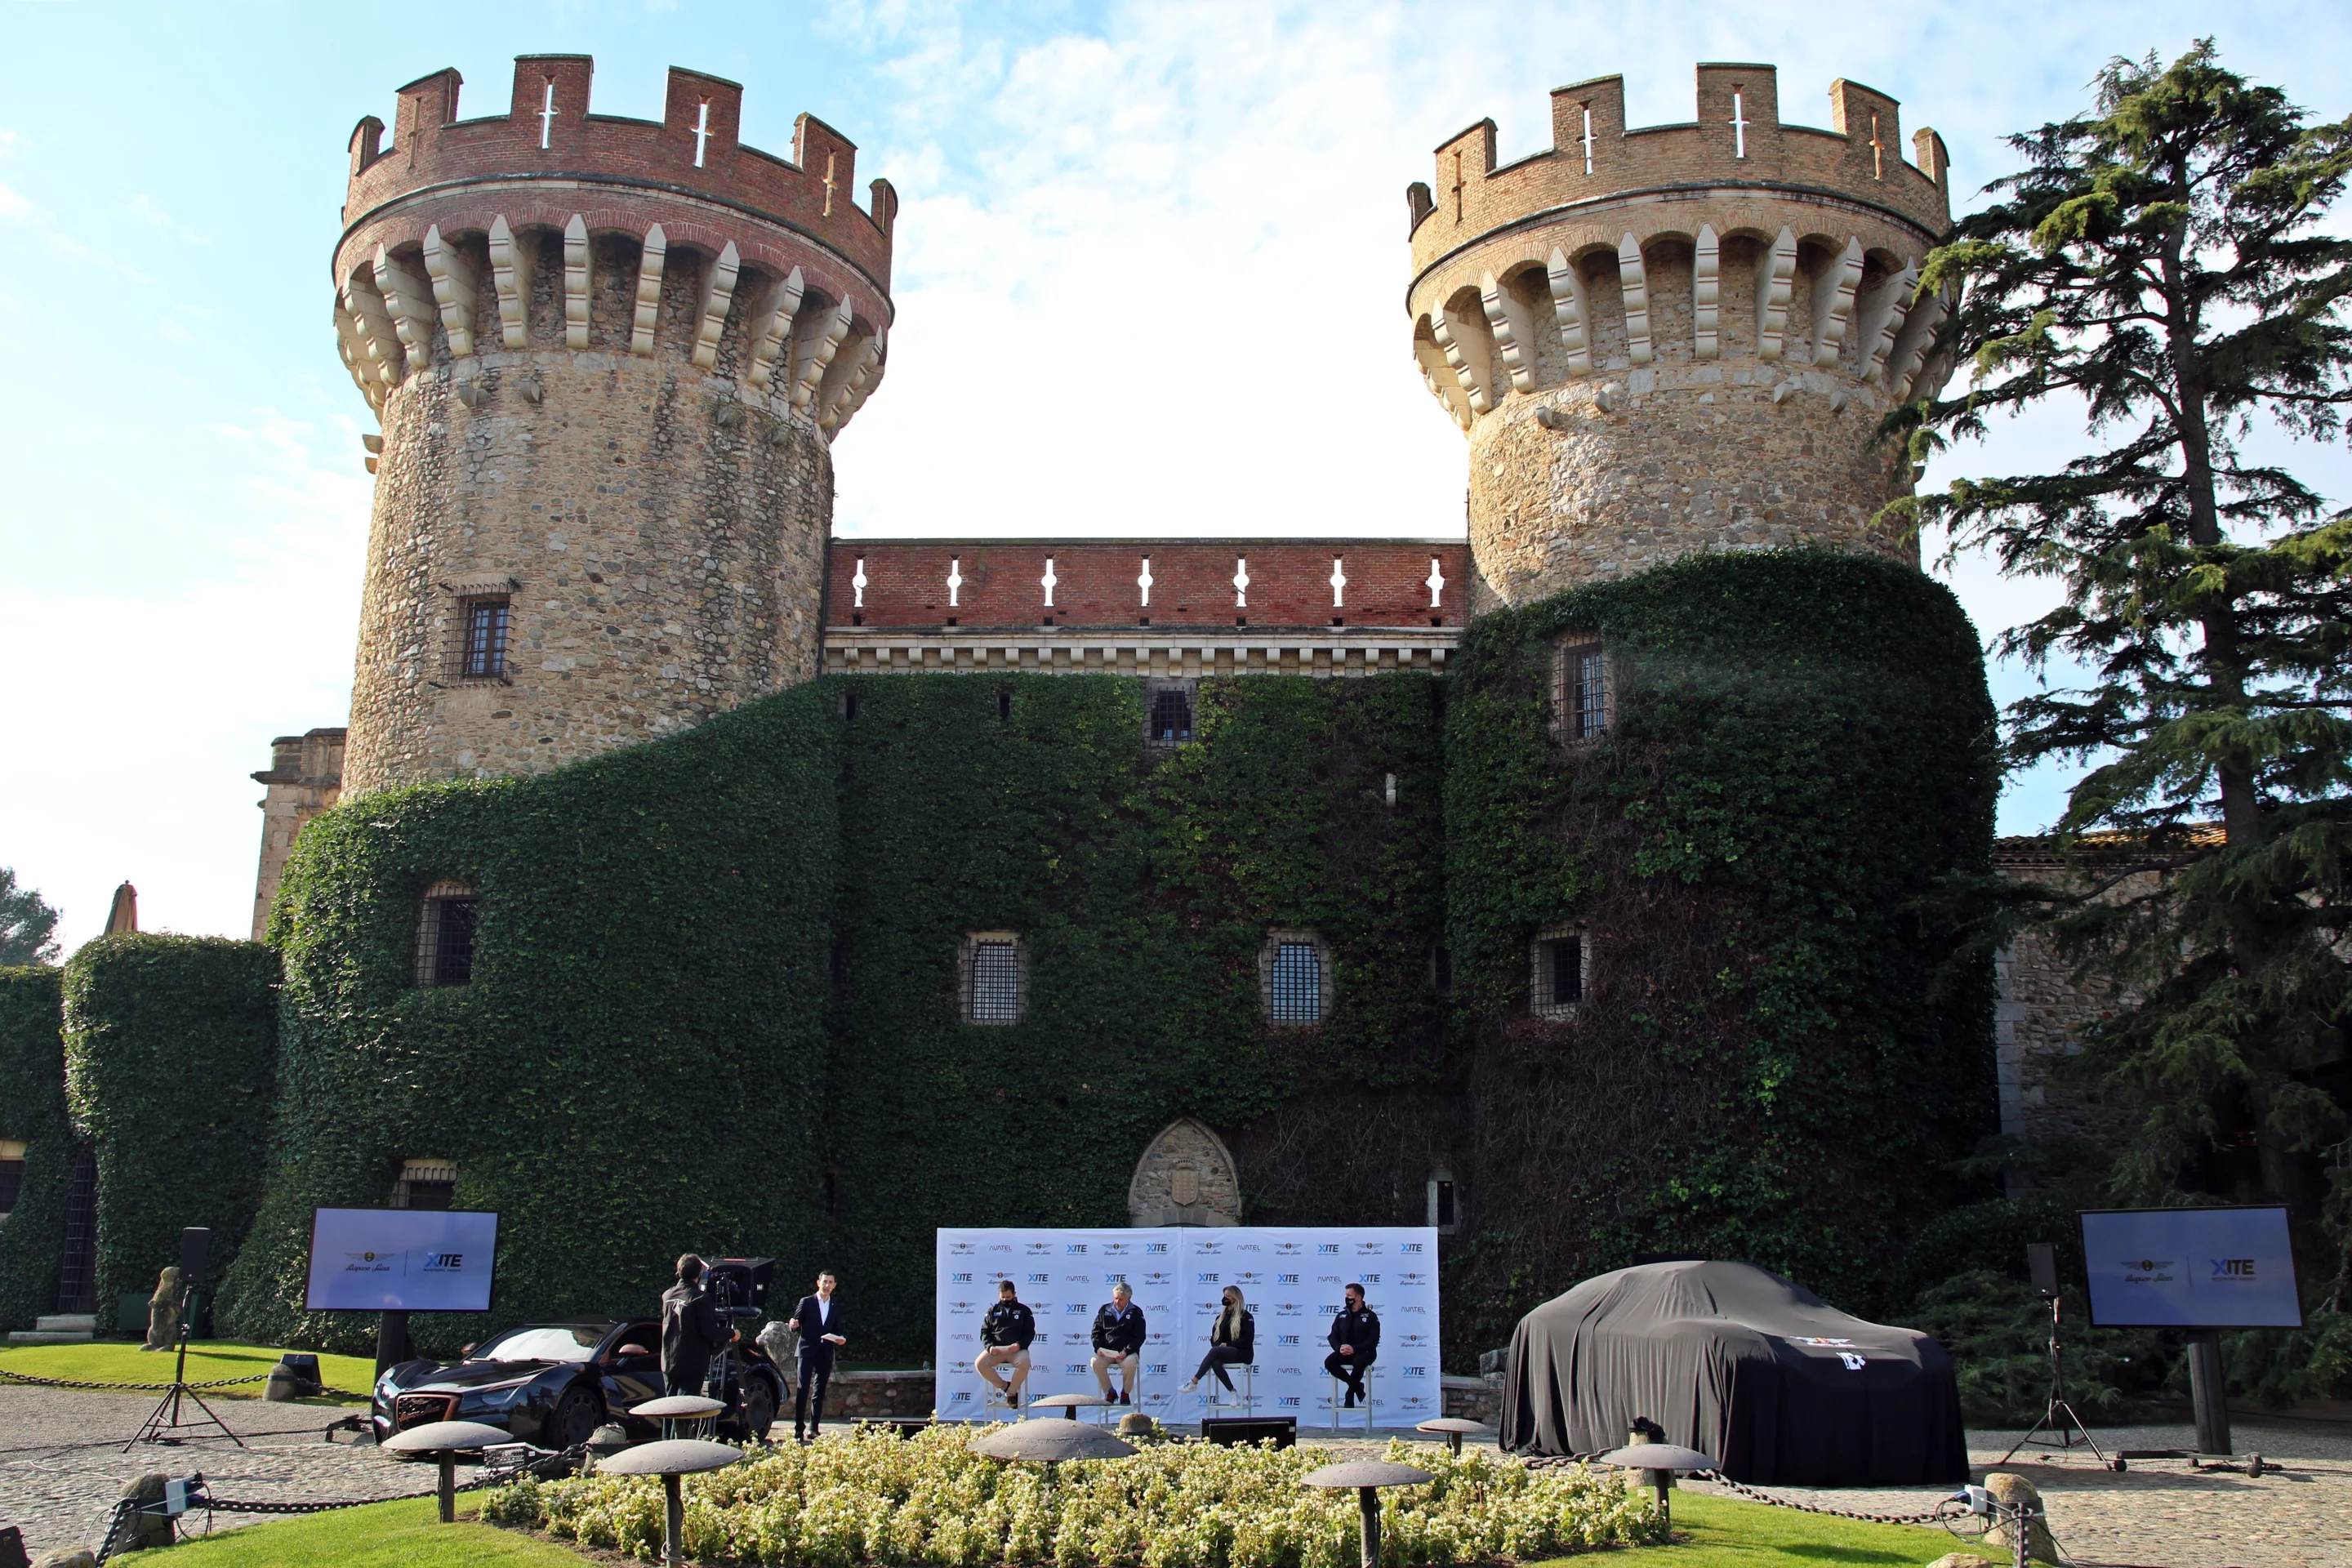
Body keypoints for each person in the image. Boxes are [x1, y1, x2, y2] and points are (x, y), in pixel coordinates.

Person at [786, 1269, 846, 1442]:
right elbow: (795, 1322)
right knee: (803, 1389)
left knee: (819, 1391)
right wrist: (793, 1324)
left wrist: (840, 1339)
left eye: (830, 1282)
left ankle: (814, 1428)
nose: (827, 1285)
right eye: (824, 1282)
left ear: (834, 1286)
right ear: (818, 1283)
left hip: (825, 1352)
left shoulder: (835, 1306)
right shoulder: (806, 1302)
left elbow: (837, 1330)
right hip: (807, 1351)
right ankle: (799, 1429)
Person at [660, 1253, 728, 1397]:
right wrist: (731, 1333)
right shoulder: (700, 1298)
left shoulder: (667, 1296)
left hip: (669, 1360)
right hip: (692, 1363)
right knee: (686, 1407)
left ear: (679, 1271)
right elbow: (709, 1331)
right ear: (699, 1274)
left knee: (669, 1405)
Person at [1181, 1285, 1254, 1396]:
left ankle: (1194, 1381)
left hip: (1243, 1353)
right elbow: (1214, 1339)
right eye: (1224, 1296)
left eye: (1228, 1296)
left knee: (1215, 1352)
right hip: (1226, 1353)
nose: (1225, 1298)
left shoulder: (1246, 1316)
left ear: (1235, 1298)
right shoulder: (1220, 1318)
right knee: (1215, 1362)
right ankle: (1232, 1392)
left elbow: (1247, 1340)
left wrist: (1227, 1345)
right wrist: (1219, 1346)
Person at [975, 1280, 1036, 1407]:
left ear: (1014, 1294)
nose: (1005, 1300)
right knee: (980, 1363)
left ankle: (1011, 1393)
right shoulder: (992, 1311)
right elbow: (984, 1332)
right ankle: (1005, 1386)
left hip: (1016, 1350)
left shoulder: (1024, 1311)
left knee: (1025, 1362)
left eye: (1008, 1297)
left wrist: (1020, 1345)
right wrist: (989, 1347)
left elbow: (1030, 1333)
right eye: (1002, 1297)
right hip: (997, 1350)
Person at [1088, 1281, 1147, 1405]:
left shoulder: (1136, 1312)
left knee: (1130, 1364)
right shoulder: (1105, 1310)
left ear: (1128, 1299)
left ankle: (1125, 1393)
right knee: (1095, 1361)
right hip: (1108, 1352)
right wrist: (1098, 1348)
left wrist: (1127, 1351)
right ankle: (1110, 1392)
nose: (1117, 1302)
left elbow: (1140, 1336)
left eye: (1120, 1299)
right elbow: (1096, 1332)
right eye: (1115, 1298)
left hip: (1127, 1352)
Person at [1324, 1281, 1380, 1407]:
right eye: (1346, 1295)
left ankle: (1350, 1394)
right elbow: (1333, 1336)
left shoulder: (1370, 1316)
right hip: (1345, 1351)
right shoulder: (1341, 1315)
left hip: (1364, 1352)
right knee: (1329, 1362)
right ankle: (1356, 1386)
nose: (1347, 1298)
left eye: (1349, 1296)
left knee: (1358, 1362)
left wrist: (1354, 1349)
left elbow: (1373, 1340)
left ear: (1358, 1297)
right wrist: (1339, 1348)